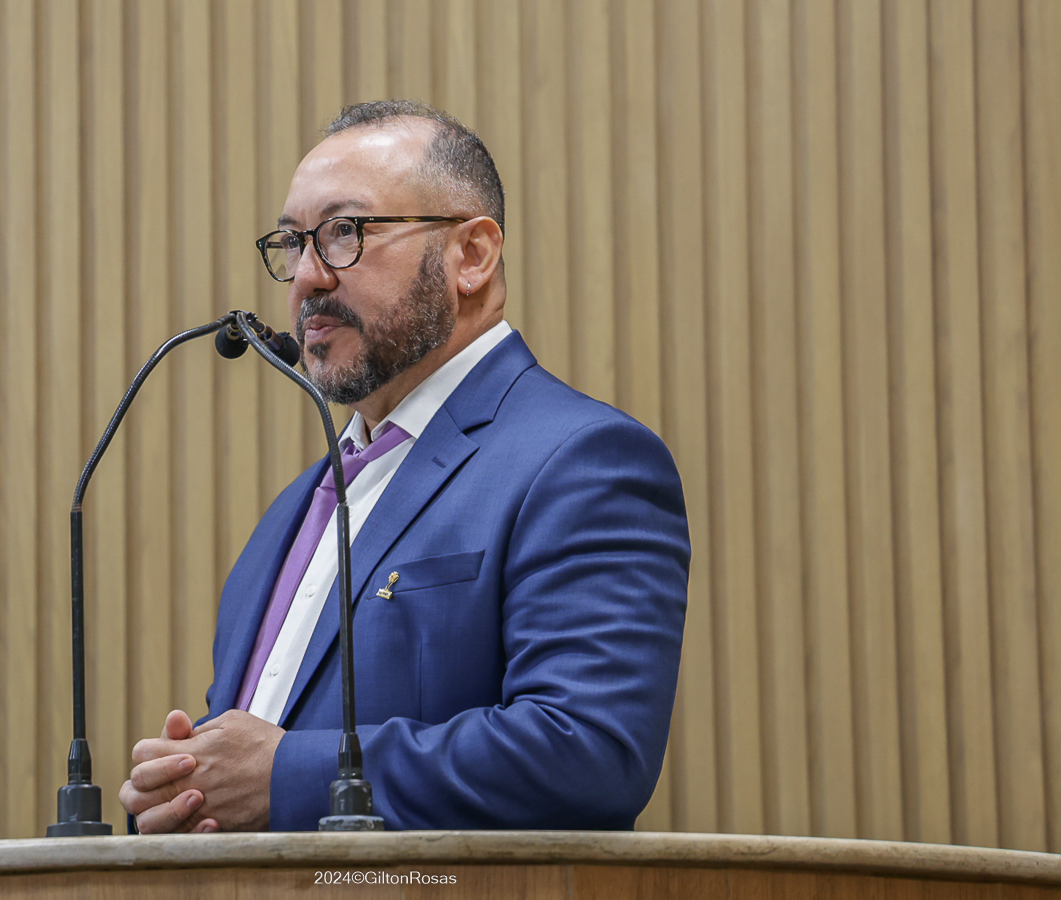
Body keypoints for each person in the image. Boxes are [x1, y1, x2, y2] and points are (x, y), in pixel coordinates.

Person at [119, 100, 689, 833]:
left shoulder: (582, 462)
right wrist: (187, 791)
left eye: (345, 232)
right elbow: (253, 769)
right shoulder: (294, 512)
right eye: (293, 243)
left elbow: (586, 752)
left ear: (472, 256)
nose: (307, 278)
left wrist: (288, 775)